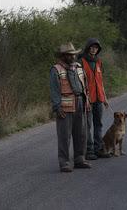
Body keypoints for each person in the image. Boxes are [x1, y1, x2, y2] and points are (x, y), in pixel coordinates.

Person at [50, 42, 92, 172]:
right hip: (65, 106)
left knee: (81, 133)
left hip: (80, 103)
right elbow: (54, 90)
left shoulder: (79, 67)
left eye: (73, 54)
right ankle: (64, 163)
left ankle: (79, 159)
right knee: (64, 136)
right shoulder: (56, 69)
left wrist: (88, 101)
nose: (72, 56)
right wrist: (57, 107)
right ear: (63, 56)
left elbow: (85, 86)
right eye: (69, 55)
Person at [79, 38, 110, 160]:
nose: (94, 49)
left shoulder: (98, 62)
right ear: (88, 47)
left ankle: (98, 149)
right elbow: (79, 81)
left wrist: (105, 98)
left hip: (99, 98)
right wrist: (83, 98)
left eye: (96, 48)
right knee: (87, 125)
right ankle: (89, 150)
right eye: (92, 47)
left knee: (99, 124)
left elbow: (100, 82)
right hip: (87, 99)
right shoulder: (81, 61)